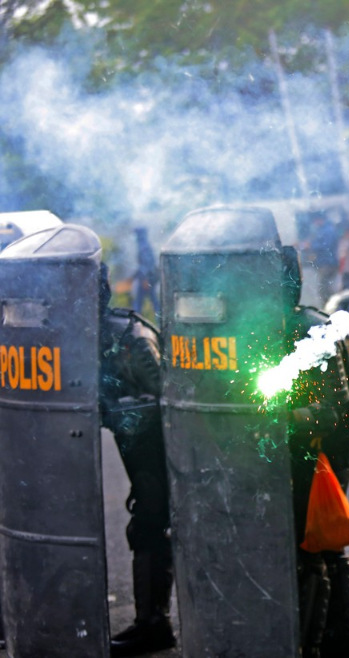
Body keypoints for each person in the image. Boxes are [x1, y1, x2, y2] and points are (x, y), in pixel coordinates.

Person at [280, 246, 349, 658]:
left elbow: (336, 407)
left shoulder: (313, 329)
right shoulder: (256, 327)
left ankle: (322, 642)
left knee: (315, 551)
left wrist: (289, 417)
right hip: (281, 457)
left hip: (317, 455)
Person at [99, 263, 176, 657]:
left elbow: (166, 399)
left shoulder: (129, 334)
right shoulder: (86, 332)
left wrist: (119, 411)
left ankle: (153, 624)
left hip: (154, 445)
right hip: (134, 445)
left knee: (150, 523)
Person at [130, 227, 160, 318]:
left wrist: (145, 279)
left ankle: (136, 320)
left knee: (141, 302)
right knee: (149, 301)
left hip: (146, 279)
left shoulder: (143, 246)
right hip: (146, 278)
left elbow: (147, 265)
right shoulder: (145, 245)